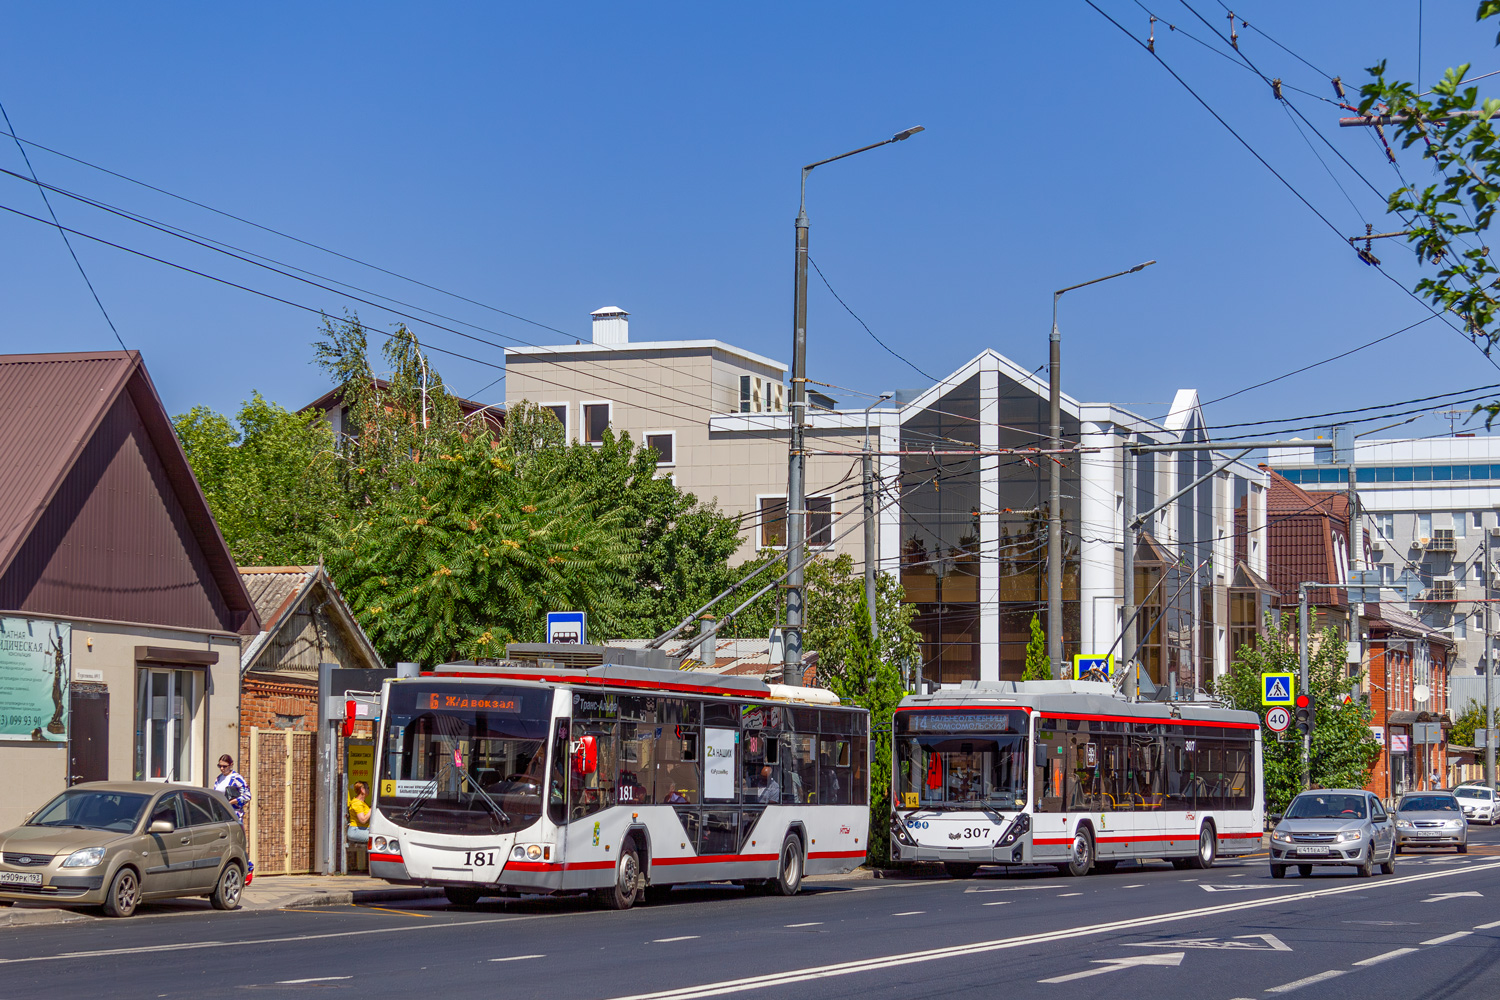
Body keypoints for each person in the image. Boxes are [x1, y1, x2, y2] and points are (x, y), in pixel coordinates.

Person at [213, 754, 255, 882]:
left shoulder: (236, 778)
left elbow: (247, 795)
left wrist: (232, 802)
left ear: (231, 765)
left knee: (235, 843)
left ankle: (248, 867)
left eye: (224, 766)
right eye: (220, 766)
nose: (222, 768)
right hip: (221, 815)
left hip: (233, 815)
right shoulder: (219, 778)